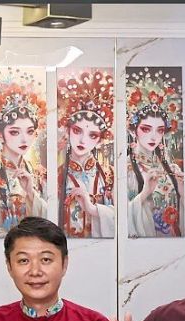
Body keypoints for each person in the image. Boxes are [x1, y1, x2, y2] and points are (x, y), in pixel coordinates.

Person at [57, 69, 116, 238]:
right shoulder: (55, 176)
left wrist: (93, 209)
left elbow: (125, 218)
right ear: (67, 130)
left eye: (92, 135)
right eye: (77, 130)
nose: (83, 140)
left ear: (100, 140)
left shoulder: (109, 175)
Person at [126, 67, 184, 238]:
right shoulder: (125, 170)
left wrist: (183, 194)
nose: (153, 136)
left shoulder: (171, 169)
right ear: (132, 131)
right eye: (146, 129)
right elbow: (118, 217)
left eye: (159, 130)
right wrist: (144, 194)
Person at [0, 69, 48, 238]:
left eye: (30, 131)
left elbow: (50, 222)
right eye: (15, 132)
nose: (24, 139)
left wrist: (31, 194)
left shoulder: (39, 174)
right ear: (0, 134)